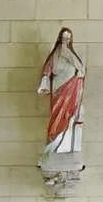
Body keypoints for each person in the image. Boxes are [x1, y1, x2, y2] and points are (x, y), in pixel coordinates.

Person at [37, 27, 86, 167]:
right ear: (59, 38)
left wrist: (78, 73)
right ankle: (53, 144)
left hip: (70, 91)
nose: (65, 40)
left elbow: (81, 69)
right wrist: (44, 83)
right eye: (64, 38)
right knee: (56, 116)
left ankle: (63, 144)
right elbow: (47, 70)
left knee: (68, 116)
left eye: (68, 38)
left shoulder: (71, 54)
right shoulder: (56, 54)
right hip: (58, 90)